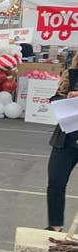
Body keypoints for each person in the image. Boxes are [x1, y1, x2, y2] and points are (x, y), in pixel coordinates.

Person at [45, 57, 78, 233]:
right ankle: (55, 226)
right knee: (56, 181)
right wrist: (67, 98)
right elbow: (56, 97)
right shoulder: (71, 74)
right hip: (67, 136)